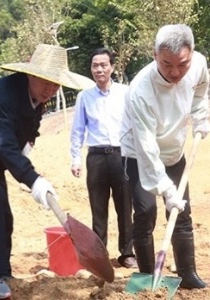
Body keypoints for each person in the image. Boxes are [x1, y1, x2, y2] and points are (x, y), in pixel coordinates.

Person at [0, 44, 87, 299]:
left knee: (4, 212)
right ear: (31, 75)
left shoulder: (36, 98)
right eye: (46, 82)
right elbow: (5, 147)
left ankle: (2, 271)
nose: (51, 90)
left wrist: (27, 151)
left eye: (56, 85)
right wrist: (33, 178)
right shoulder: (2, 98)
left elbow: (27, 131)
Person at [120, 24, 209, 289]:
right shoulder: (140, 91)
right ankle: (147, 278)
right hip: (139, 155)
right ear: (154, 54)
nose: (175, 72)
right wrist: (166, 189)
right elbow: (146, 147)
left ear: (191, 54)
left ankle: (188, 273)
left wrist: (201, 116)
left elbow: (201, 90)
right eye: (167, 63)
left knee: (182, 212)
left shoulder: (199, 64)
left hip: (176, 150)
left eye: (182, 64)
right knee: (146, 212)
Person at [70, 48, 137, 269]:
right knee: (98, 208)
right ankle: (99, 254)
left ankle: (127, 253)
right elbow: (78, 130)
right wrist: (76, 158)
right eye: (95, 65)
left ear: (112, 67)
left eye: (103, 65)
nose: (99, 69)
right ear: (91, 69)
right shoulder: (84, 97)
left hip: (122, 155)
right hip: (96, 157)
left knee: (125, 206)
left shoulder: (125, 93)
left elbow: (135, 124)